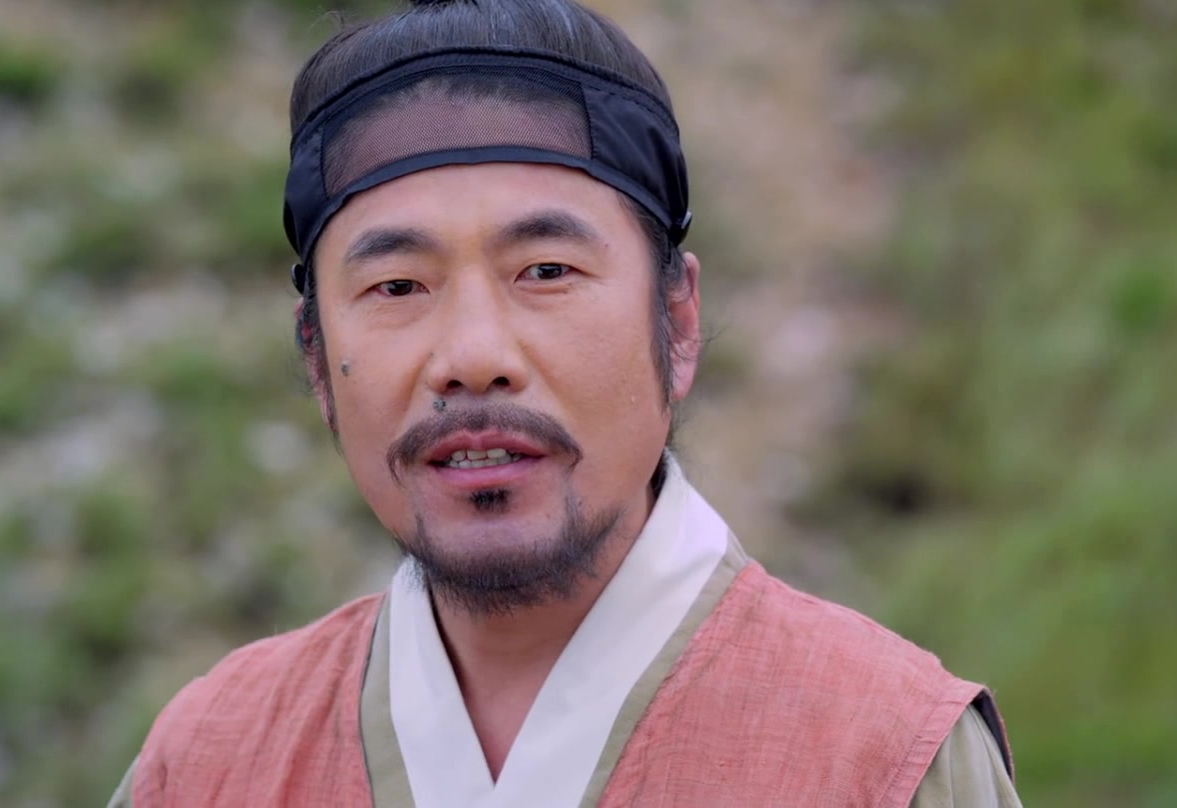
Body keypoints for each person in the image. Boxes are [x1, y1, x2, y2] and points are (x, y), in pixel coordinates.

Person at [110, 0, 1020, 805]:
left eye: (546, 271)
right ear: (317, 360)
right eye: (397, 286)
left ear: (677, 320)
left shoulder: (885, 758)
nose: (473, 358)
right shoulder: (207, 764)